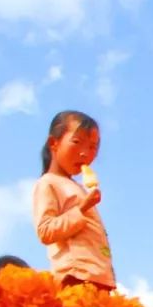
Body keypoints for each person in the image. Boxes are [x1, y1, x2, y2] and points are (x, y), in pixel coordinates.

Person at [31, 110, 116, 291]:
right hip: (75, 275)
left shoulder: (78, 187)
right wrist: (83, 208)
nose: (85, 153)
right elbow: (45, 230)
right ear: (53, 143)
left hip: (99, 277)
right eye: (77, 143)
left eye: (93, 147)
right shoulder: (48, 183)